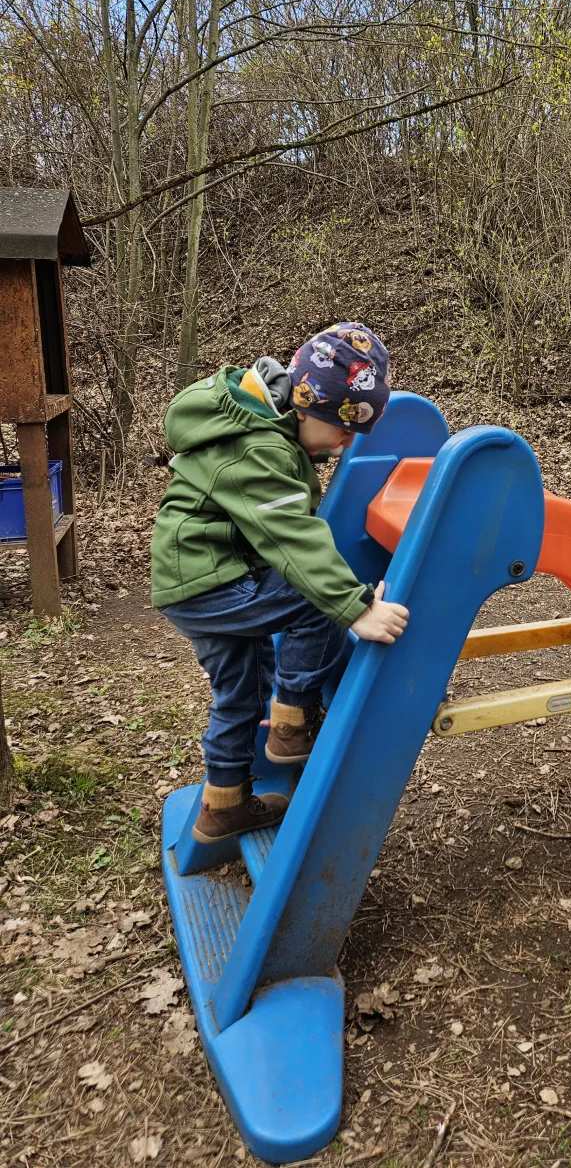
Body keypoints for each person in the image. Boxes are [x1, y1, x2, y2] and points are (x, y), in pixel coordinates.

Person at [150, 322, 409, 843]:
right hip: (209, 580)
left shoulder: (260, 429)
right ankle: (291, 726)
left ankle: (223, 807)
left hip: (195, 579)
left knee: (240, 694)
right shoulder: (258, 450)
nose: (343, 444)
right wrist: (357, 606)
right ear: (308, 408)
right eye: (342, 429)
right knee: (315, 603)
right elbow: (292, 537)